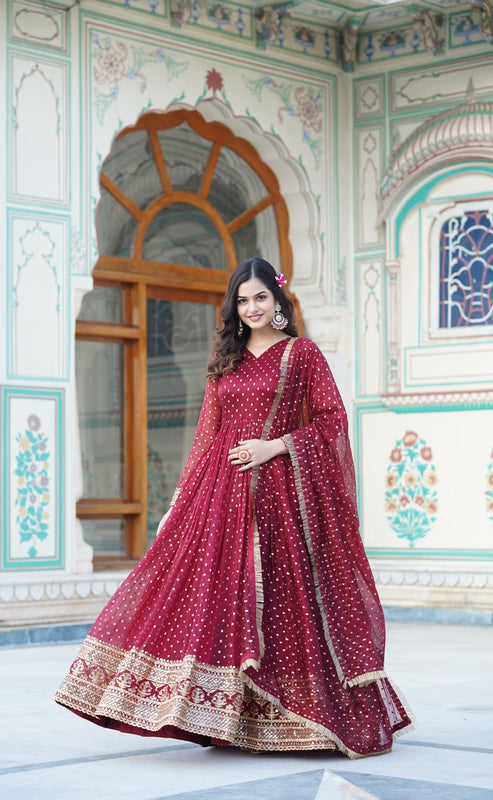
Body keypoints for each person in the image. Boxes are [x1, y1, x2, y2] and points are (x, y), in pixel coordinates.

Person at [55, 257, 413, 758]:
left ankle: (301, 715)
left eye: (260, 298)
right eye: (242, 300)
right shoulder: (226, 358)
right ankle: (225, 716)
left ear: (278, 299)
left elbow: (331, 419)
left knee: (287, 601)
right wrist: (180, 501)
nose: (251, 308)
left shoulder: (301, 354)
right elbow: (208, 432)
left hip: (283, 496)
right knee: (215, 599)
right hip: (221, 494)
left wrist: (277, 446)